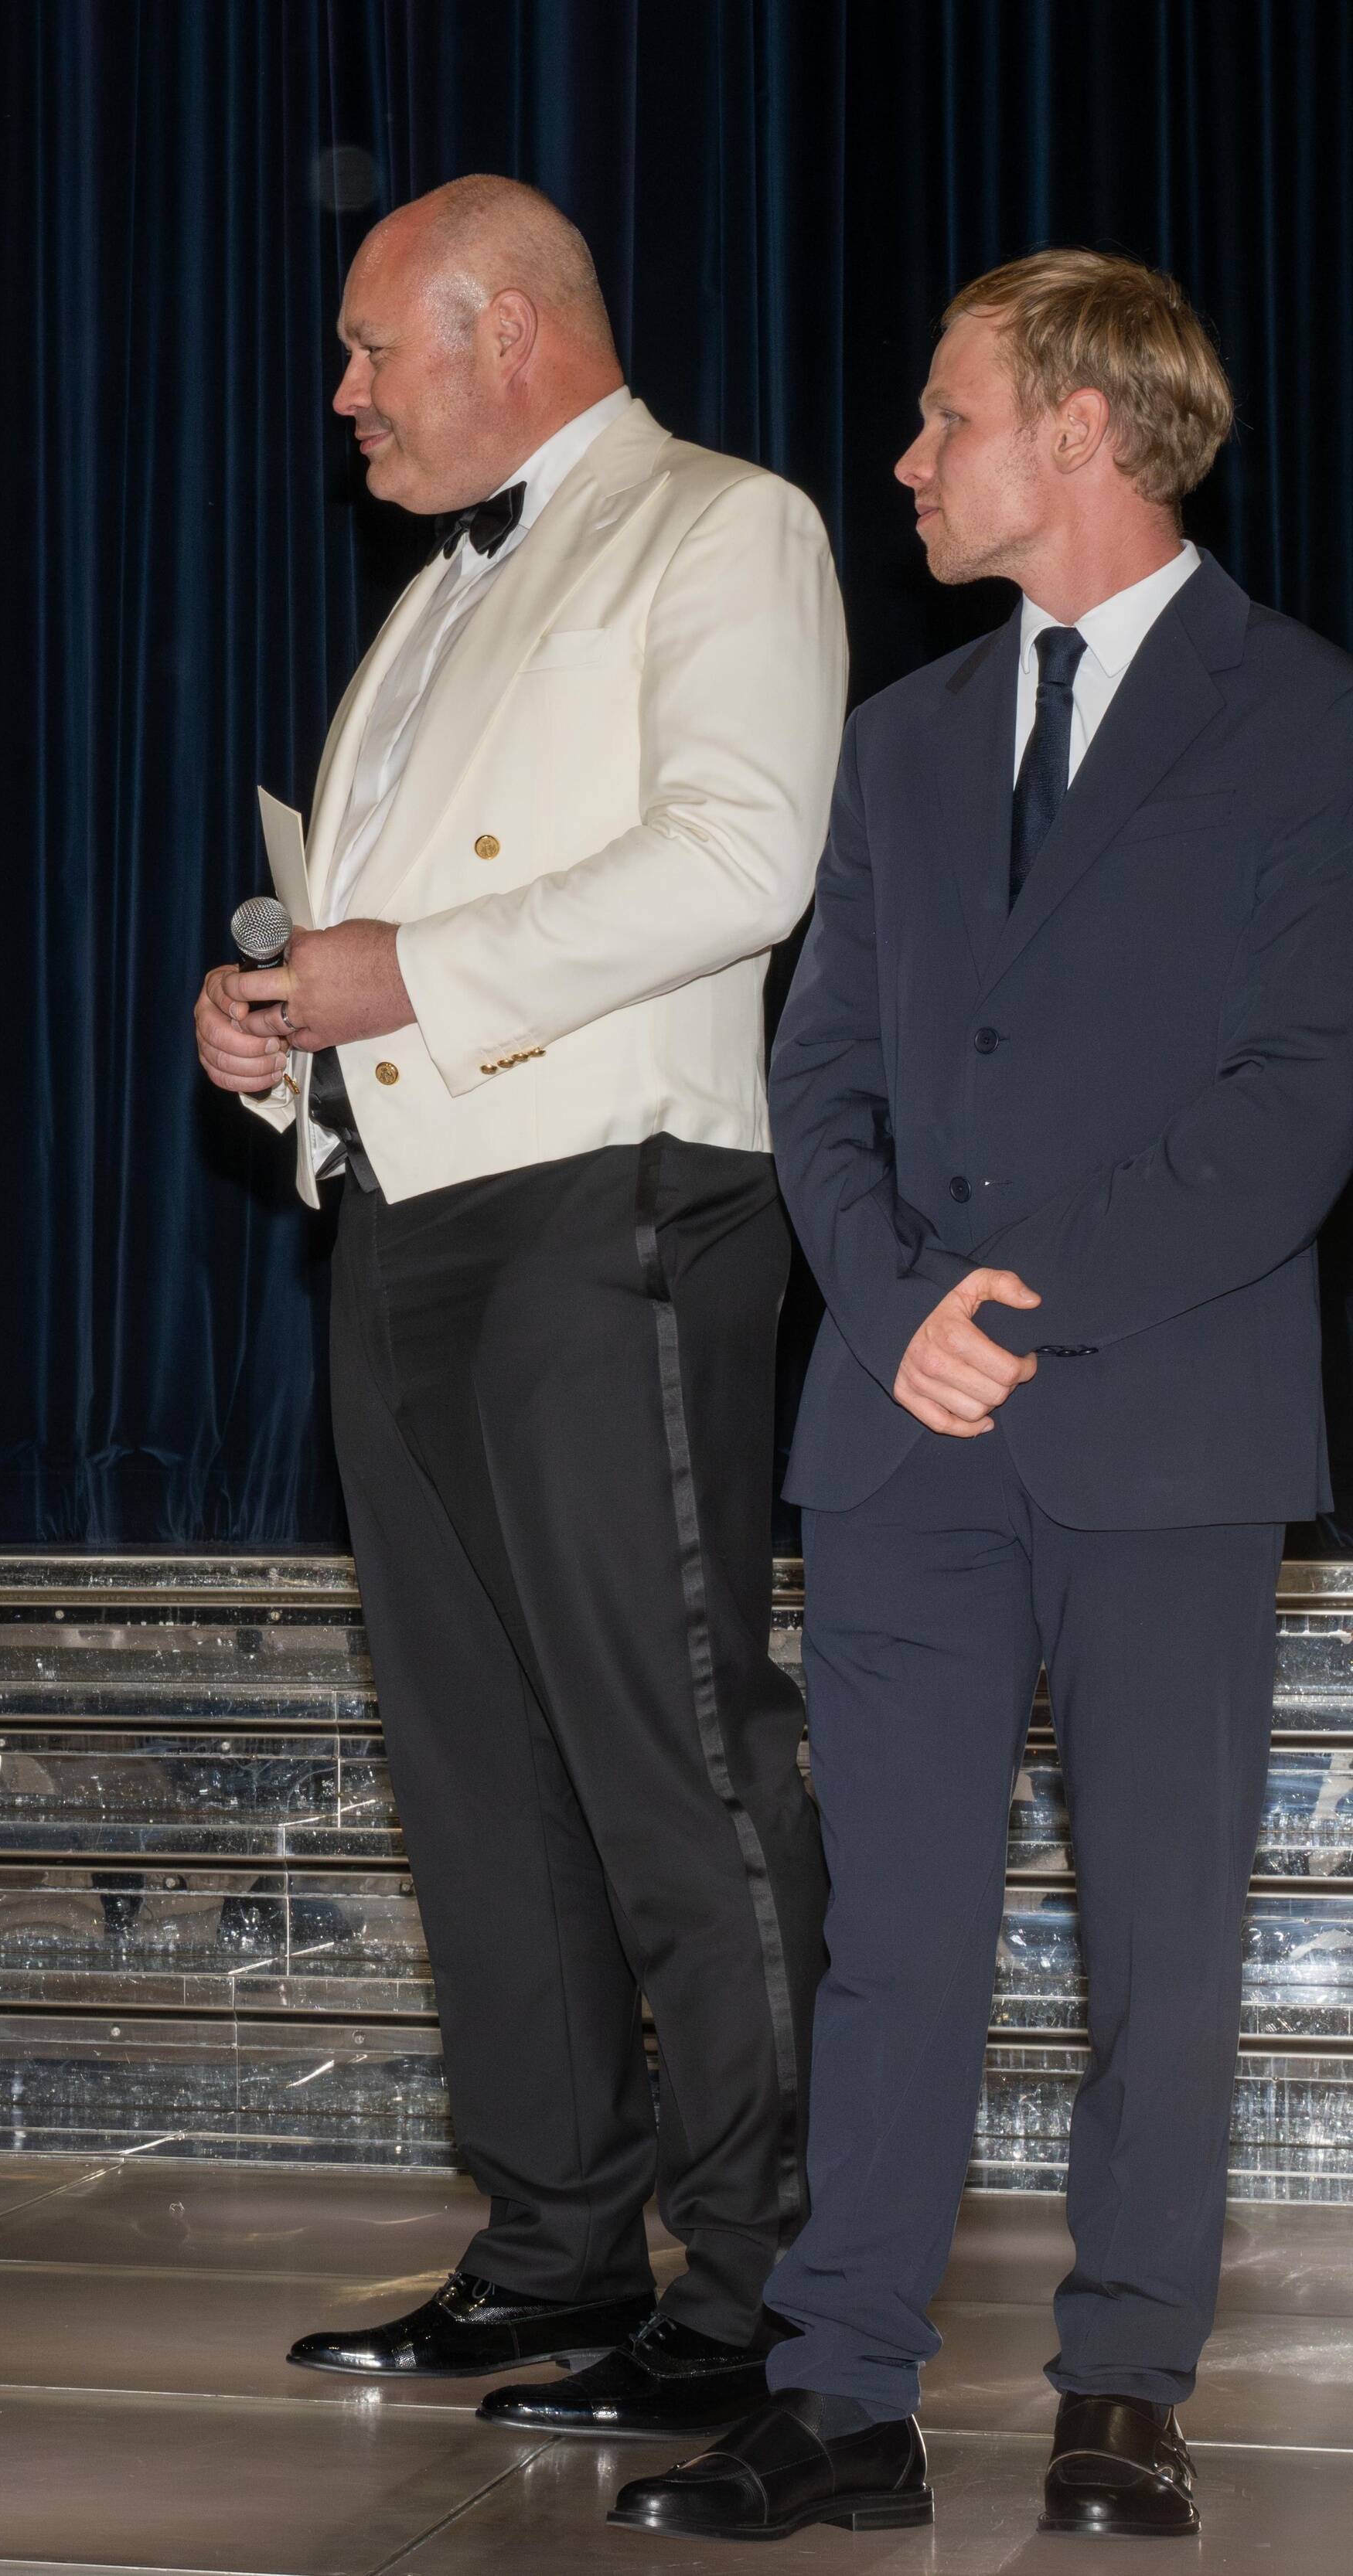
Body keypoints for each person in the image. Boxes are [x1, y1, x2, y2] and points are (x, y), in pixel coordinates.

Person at [616, 255, 1353, 2546]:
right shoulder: (903, 739)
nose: (908, 461)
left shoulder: (1302, 714)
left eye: (945, 422)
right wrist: (893, 1294)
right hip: (906, 1424)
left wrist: (1019, 1294)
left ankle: (1126, 2386)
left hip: (1162, 1422)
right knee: (895, 1933)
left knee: (1158, 1937)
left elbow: (1300, 1096)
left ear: (1087, 434)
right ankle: (842, 2394)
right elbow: (815, 1065)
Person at [190, 176, 845, 2438]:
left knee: (673, 1750)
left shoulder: (722, 527)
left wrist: (410, 976)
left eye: (378, 353)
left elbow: (746, 855)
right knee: (478, 1771)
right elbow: (368, 915)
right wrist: (285, 1014)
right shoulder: (423, 598)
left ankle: (770, 2280)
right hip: (405, 1212)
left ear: (512, 327)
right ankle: (557, 2240)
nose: (348, 399)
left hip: (614, 1202)